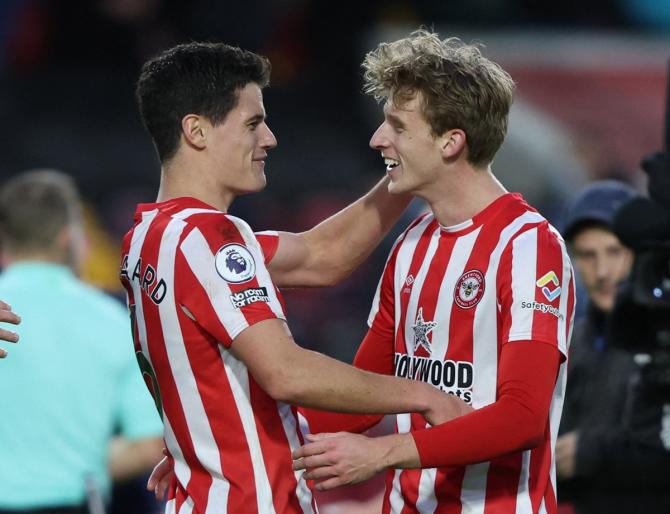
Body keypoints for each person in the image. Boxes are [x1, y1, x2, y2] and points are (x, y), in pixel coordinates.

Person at [125, 41, 470, 514]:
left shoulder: (150, 236)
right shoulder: (206, 239)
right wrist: (424, 396)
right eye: (252, 123)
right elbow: (287, 372)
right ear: (197, 131)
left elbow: (320, 256)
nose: (268, 138)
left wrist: (403, 172)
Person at [290, 29, 576, 513]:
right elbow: (364, 393)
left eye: (398, 126)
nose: (378, 138)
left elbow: (523, 417)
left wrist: (384, 453)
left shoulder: (529, 245)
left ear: (450, 141)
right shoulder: (411, 243)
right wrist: (228, 439)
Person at [0, 170, 164, 514]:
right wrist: (71, 460)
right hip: (73, 499)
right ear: (68, 238)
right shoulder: (115, 320)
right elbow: (149, 444)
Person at [557, 180, 670, 513]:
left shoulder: (662, 337)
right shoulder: (574, 338)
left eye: (614, 252)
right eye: (588, 256)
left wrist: (593, 454)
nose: (603, 272)